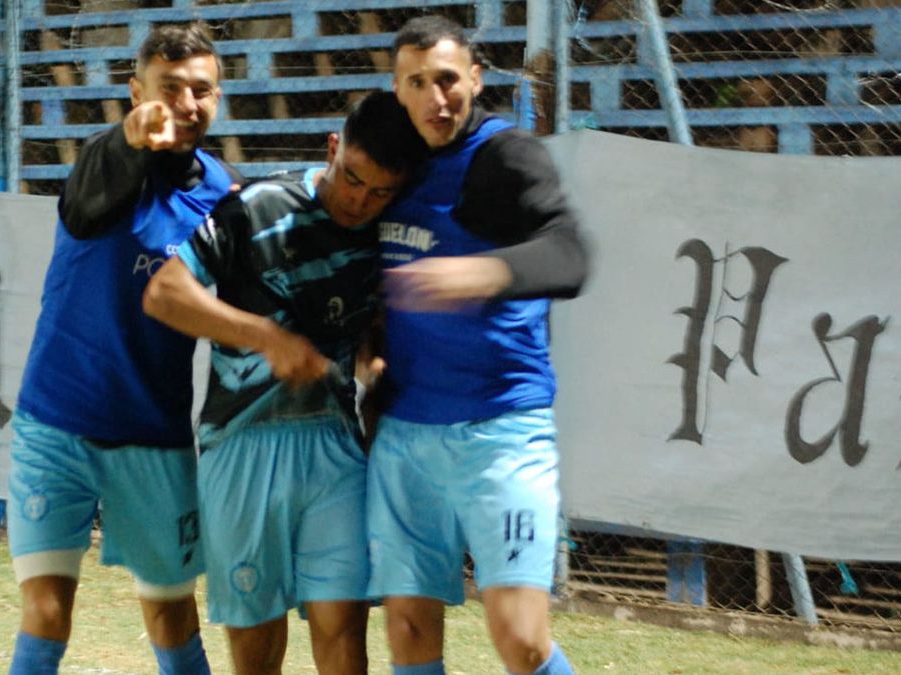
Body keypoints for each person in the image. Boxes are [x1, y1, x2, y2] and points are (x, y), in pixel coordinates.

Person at [142, 90, 427, 675]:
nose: (359, 201)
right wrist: (265, 337)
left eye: (379, 192)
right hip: (242, 444)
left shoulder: (387, 231)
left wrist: (372, 361)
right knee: (256, 645)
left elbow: (370, 318)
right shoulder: (256, 205)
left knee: (343, 627)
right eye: (351, 179)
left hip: (333, 448)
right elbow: (164, 294)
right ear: (332, 148)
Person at [7, 24, 238, 675]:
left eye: (202, 90)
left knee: (170, 612)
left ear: (218, 96)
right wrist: (132, 137)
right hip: (57, 424)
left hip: (154, 437)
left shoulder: (222, 196)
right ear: (136, 92)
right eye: (170, 89)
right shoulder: (101, 163)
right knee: (49, 609)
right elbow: (83, 210)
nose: (187, 104)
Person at [367, 15, 589, 675]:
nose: (436, 100)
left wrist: (483, 272)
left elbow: (570, 251)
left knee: (520, 638)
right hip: (405, 435)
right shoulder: (389, 164)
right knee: (408, 630)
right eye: (417, 83)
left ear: (474, 78)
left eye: (446, 80)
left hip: (500, 431)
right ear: (396, 88)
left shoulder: (506, 155)